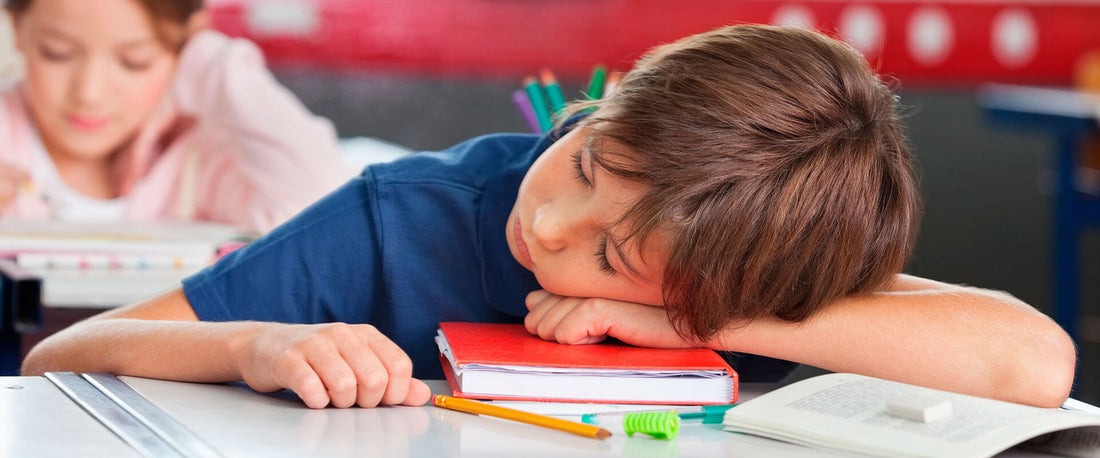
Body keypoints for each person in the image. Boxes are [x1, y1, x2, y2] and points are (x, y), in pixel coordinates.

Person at [22, 24, 1076, 410]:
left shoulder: (749, 247)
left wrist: (700, 320)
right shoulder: (413, 215)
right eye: (585, 158)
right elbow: (63, 354)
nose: (553, 223)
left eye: (615, 251)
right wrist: (257, 341)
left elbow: (1033, 361)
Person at [0, 0, 347, 232]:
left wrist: (209, 62)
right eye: (56, 54)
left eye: (135, 61)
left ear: (187, 39)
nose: (88, 93)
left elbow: (319, 210)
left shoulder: (203, 158)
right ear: (16, 28)